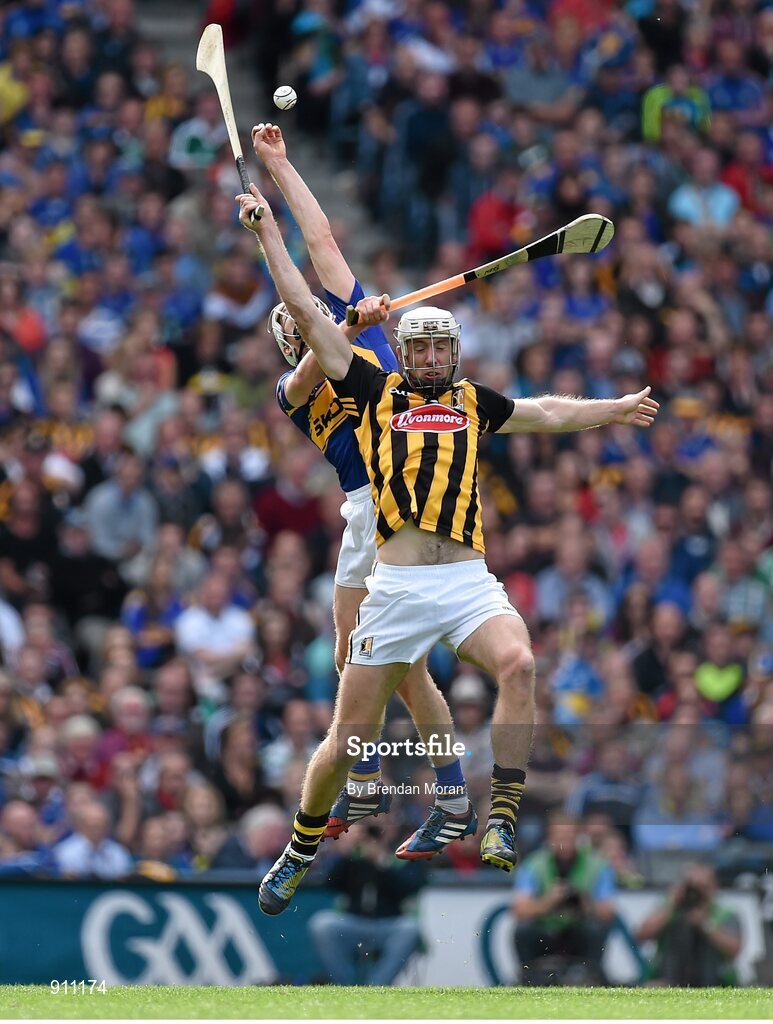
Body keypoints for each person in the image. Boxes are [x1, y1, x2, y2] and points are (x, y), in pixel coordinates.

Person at [235, 180, 659, 916]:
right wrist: (273, 241)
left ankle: (470, 804)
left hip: (454, 566)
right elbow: (308, 319)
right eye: (420, 344)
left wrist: (612, 411)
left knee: (512, 662)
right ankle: (324, 824)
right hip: (377, 523)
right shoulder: (340, 377)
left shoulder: (439, 384)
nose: (428, 353)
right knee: (351, 691)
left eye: (437, 345)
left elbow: (327, 248)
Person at [248, 123, 469, 841]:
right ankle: (415, 789)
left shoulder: (366, 337)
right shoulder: (297, 387)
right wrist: (343, 317)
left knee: (394, 670)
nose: (300, 314)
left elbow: (322, 244)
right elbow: (319, 353)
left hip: (396, 505)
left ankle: (419, 790)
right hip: (364, 515)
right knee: (360, 658)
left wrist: (281, 166)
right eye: (294, 319)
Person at [307, 821, 426, 985]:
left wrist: (382, 861)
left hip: (389, 923)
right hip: (353, 921)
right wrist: (346, 852)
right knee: (322, 924)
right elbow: (330, 882)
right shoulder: (353, 858)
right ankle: (345, 987)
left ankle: (377, 986)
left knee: (410, 928)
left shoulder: (405, 851)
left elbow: (409, 888)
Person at [512, 813, 617, 984]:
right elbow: (519, 909)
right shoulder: (534, 865)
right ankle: (530, 977)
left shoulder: (598, 865)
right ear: (549, 838)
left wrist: (586, 904)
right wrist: (548, 901)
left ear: (579, 838)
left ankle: (590, 976)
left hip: (580, 931)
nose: (564, 844)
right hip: (545, 930)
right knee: (524, 929)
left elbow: (608, 912)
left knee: (596, 928)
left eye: (570, 838)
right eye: (559, 838)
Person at [637, 863, 742, 986]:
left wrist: (705, 924)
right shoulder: (670, 910)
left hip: (714, 983)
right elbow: (641, 936)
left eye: (703, 887)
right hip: (668, 981)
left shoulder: (724, 914)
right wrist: (671, 905)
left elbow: (735, 950)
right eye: (692, 887)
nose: (697, 893)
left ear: (714, 887)